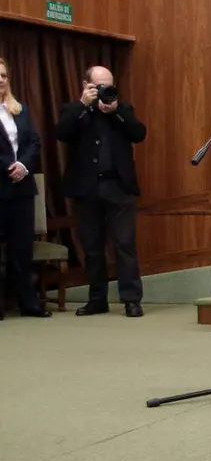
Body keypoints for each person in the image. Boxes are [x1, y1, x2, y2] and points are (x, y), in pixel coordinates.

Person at [56, 66, 147, 318]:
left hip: (118, 187)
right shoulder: (73, 110)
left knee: (124, 244)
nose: (105, 90)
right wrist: (83, 105)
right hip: (86, 188)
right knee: (92, 247)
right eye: (99, 86)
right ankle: (97, 300)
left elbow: (139, 134)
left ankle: (131, 299)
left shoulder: (123, 109)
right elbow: (61, 132)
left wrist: (115, 111)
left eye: (109, 86)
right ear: (86, 85)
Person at [0, 58, 49, 319]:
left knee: (22, 249)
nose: (1, 80)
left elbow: (34, 142)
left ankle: (28, 303)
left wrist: (23, 165)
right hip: (1, 184)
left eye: (3, 75)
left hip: (22, 188)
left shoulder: (20, 110)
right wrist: (8, 166)